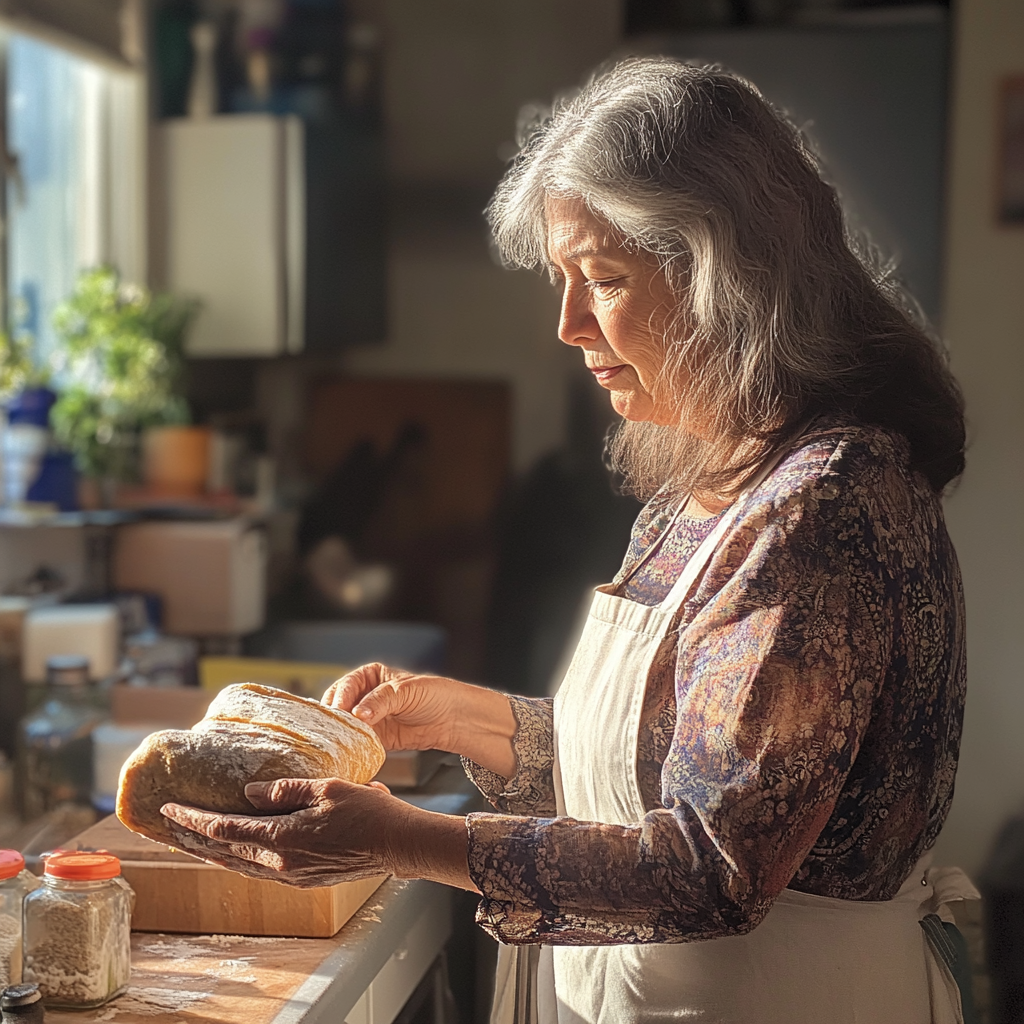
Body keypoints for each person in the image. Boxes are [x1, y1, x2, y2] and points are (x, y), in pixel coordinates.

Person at [161, 58, 979, 1023]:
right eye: (564, 280)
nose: (568, 324)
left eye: (602, 278)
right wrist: (476, 724)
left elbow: (714, 866)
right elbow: (667, 769)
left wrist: (398, 839)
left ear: (727, 277)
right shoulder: (714, 480)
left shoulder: (824, 504)